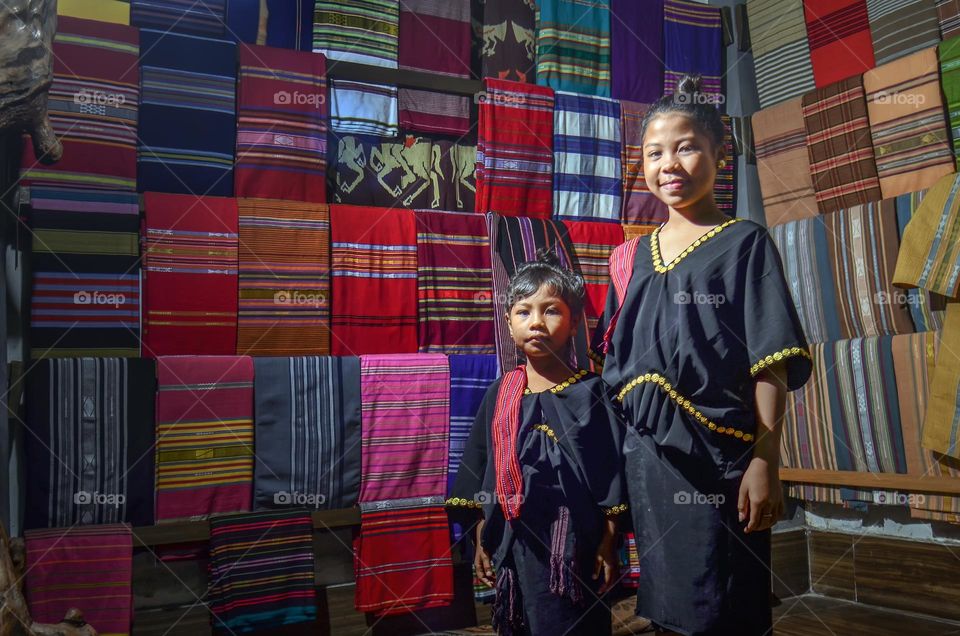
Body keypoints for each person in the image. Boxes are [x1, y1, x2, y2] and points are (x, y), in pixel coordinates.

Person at [591, 75, 813, 635]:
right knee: (667, 608)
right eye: (654, 152)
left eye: (687, 147)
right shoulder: (629, 257)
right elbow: (614, 369)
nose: (670, 164)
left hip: (723, 460)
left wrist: (767, 460)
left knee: (724, 607)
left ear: (720, 153)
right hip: (648, 461)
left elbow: (771, 360)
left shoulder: (744, 242)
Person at [448, 249, 628, 636]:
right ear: (509, 323)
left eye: (552, 310)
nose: (537, 323)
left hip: (577, 547)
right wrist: (482, 536)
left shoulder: (593, 393)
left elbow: (614, 473)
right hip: (515, 545)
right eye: (524, 311)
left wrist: (609, 543)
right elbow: (481, 467)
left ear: (575, 322)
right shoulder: (502, 393)